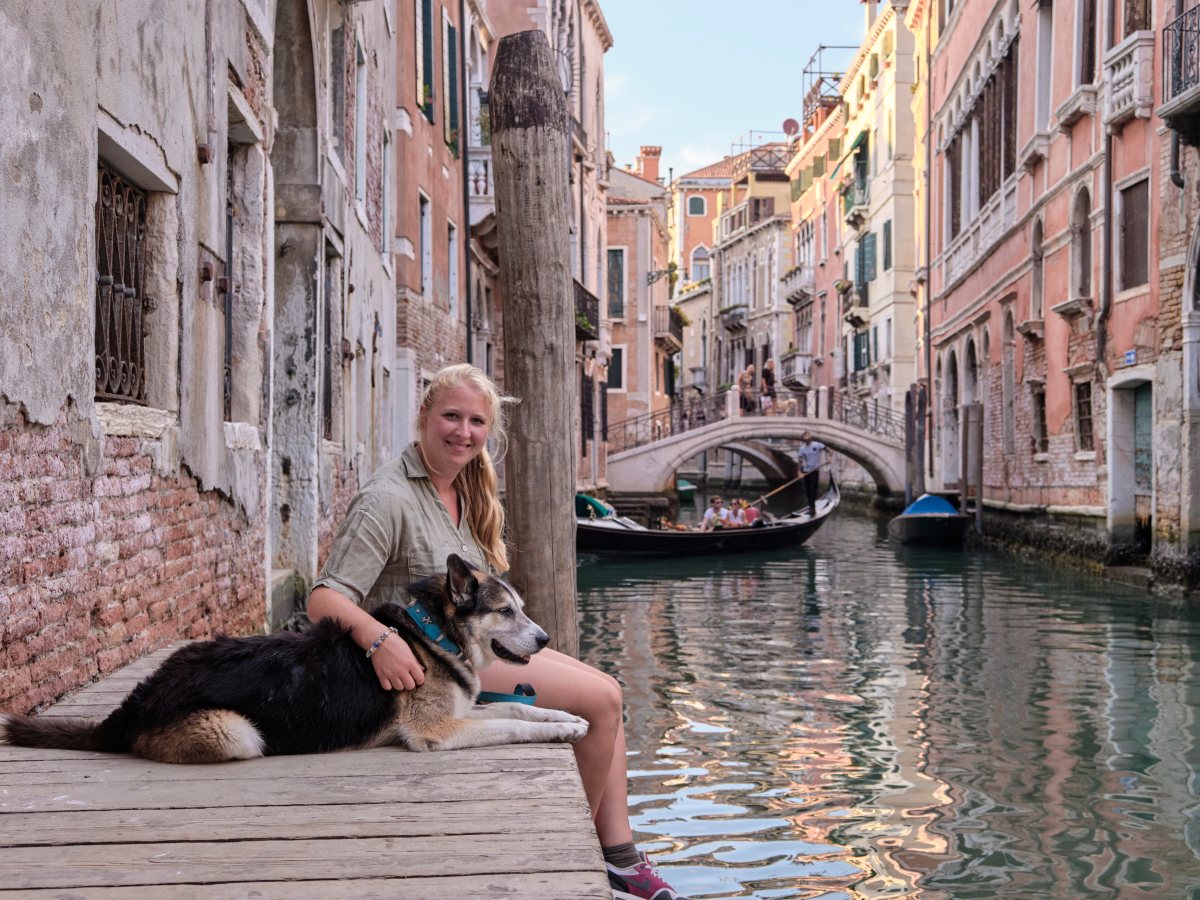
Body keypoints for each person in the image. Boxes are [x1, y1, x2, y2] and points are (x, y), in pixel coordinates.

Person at [307, 364, 688, 900]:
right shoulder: (387, 498)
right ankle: (583, 851)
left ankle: (618, 853)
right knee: (600, 702)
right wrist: (379, 641)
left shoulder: (464, 492)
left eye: (477, 421)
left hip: (469, 656)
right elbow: (323, 600)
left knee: (609, 692)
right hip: (425, 678)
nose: (463, 431)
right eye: (451, 416)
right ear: (423, 416)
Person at [796, 430, 828, 516]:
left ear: (811, 437)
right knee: (808, 491)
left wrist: (829, 458)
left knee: (813, 489)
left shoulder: (817, 445)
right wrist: (799, 472)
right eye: (805, 435)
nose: (807, 436)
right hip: (806, 471)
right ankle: (811, 506)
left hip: (814, 471)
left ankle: (812, 508)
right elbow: (800, 461)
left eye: (808, 434)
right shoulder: (802, 449)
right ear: (803, 439)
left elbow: (827, 450)